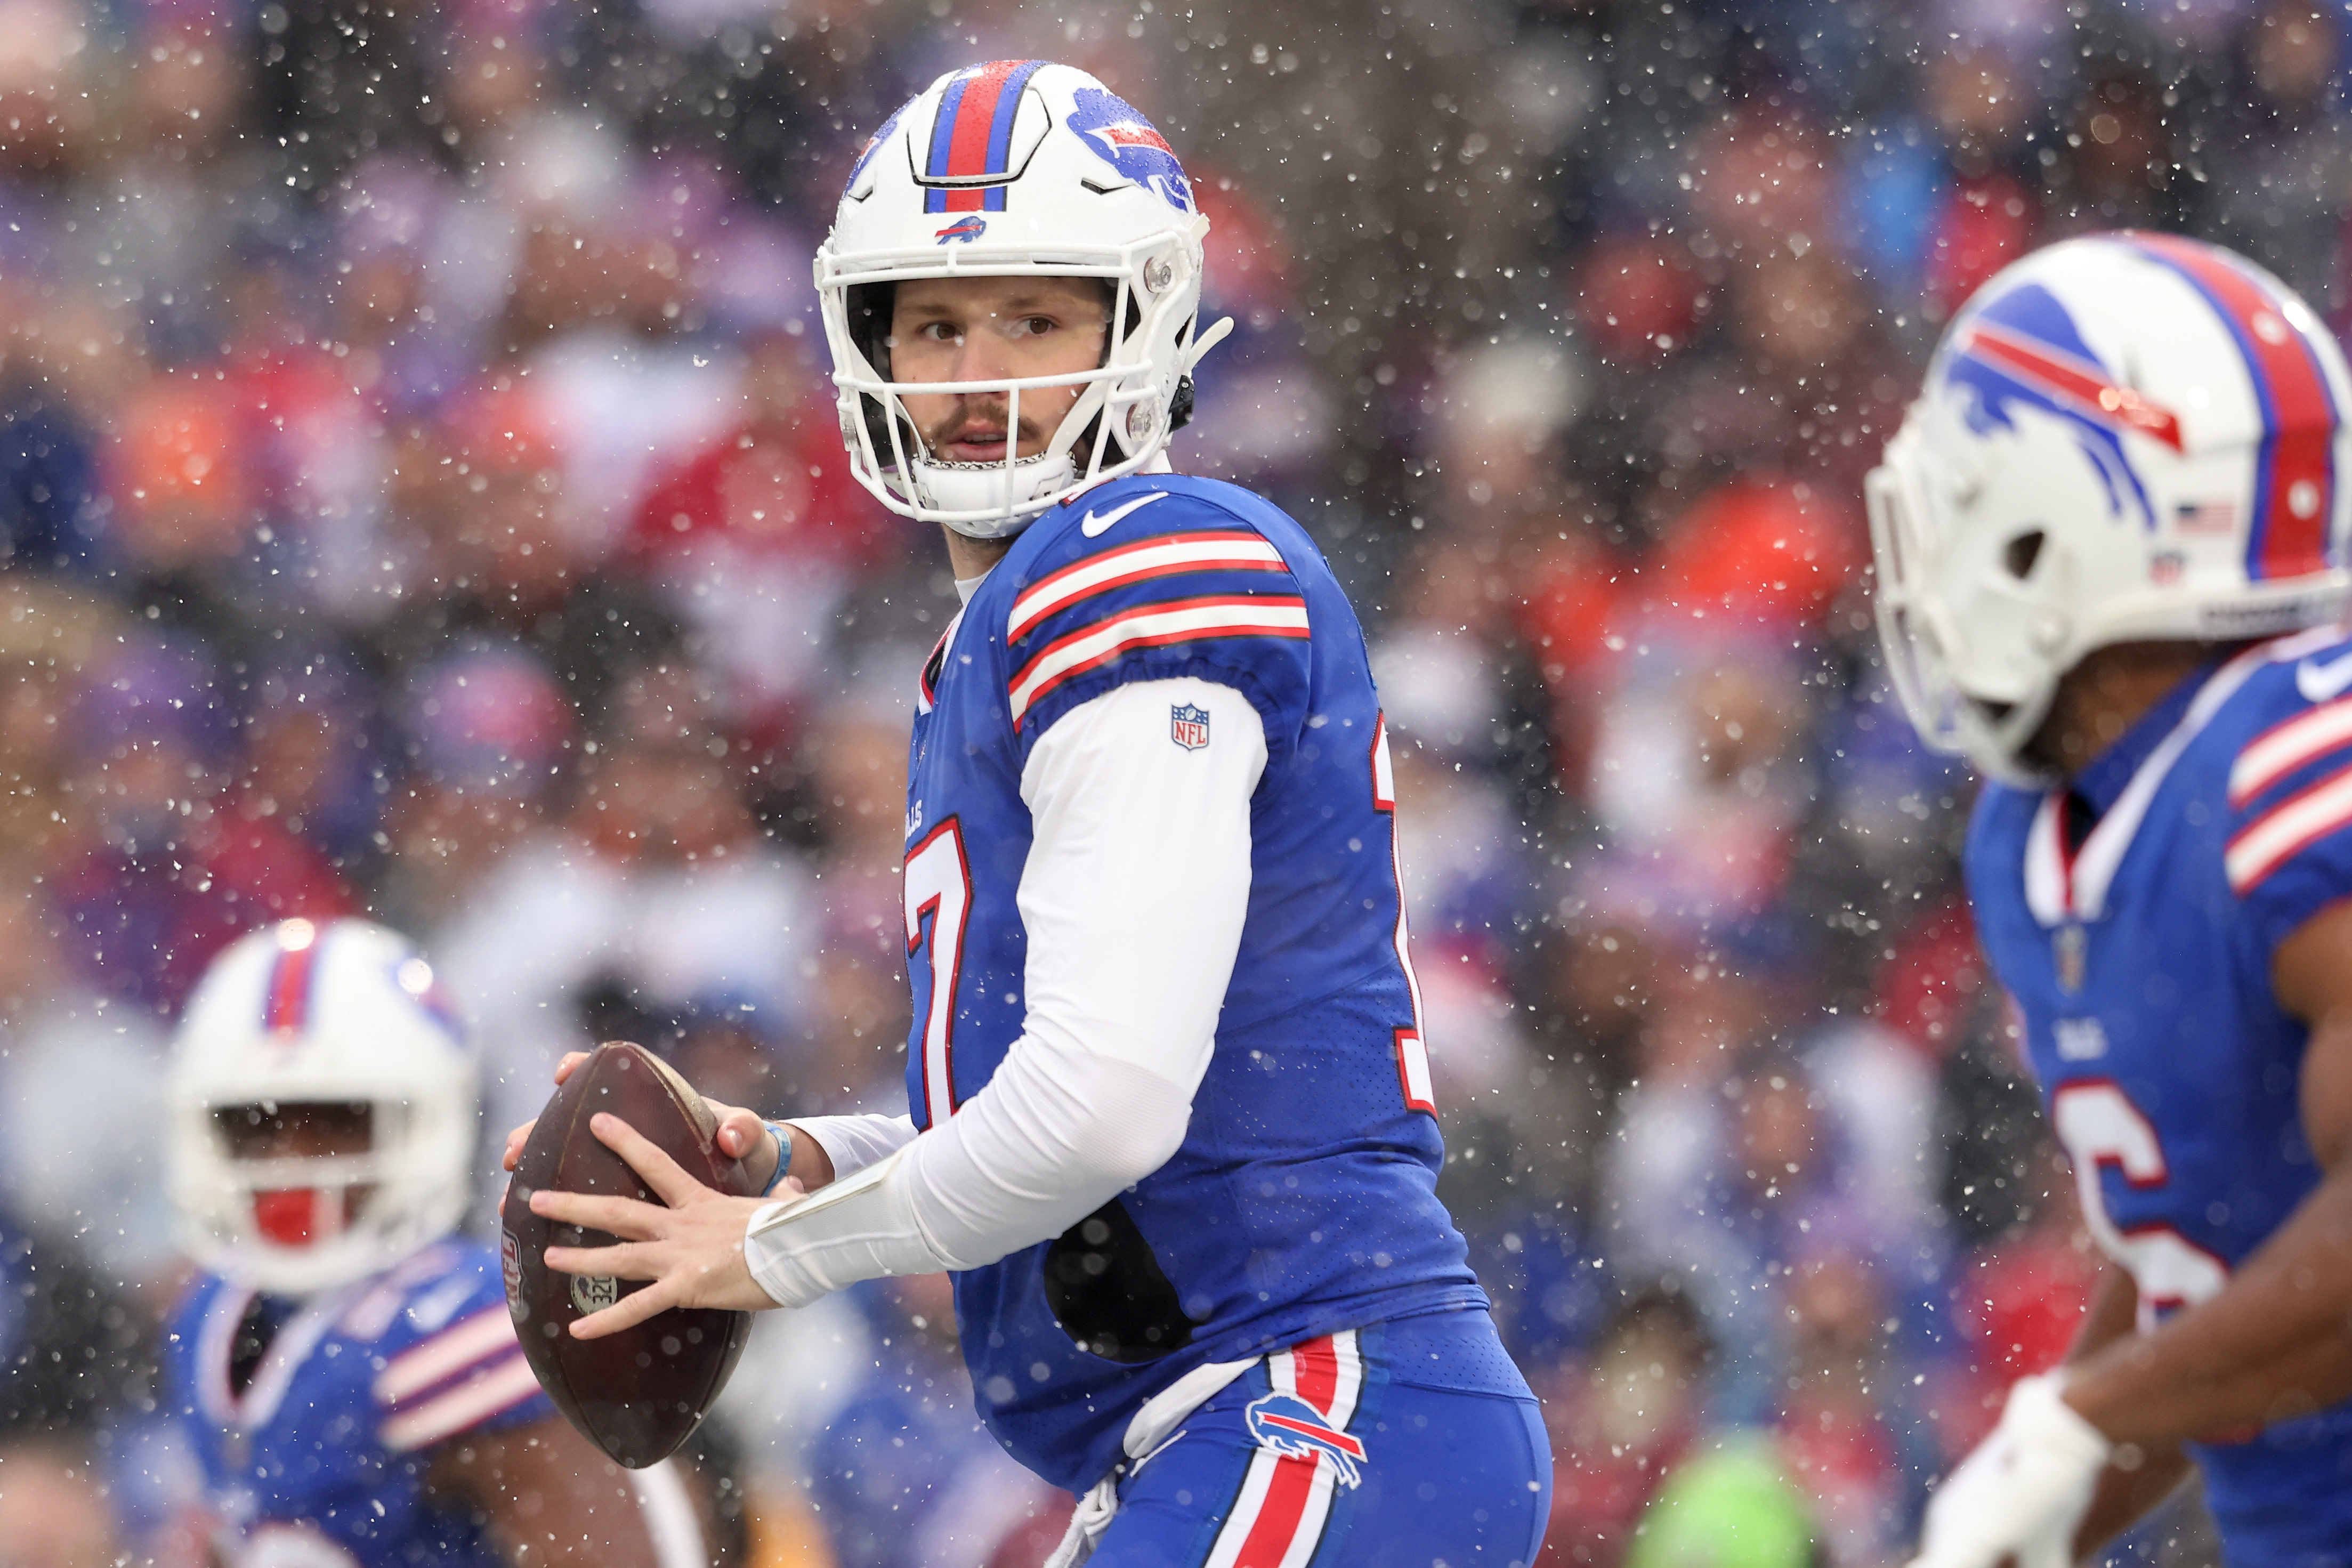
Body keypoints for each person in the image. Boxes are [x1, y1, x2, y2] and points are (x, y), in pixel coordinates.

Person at [506, 60, 1550, 1568]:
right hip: (1231, 1427)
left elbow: (1106, 1102)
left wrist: (772, 1250)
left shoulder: (1136, 561)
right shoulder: (1005, 630)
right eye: (935, 323)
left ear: (1139, 323)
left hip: (1306, 1398)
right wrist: (802, 1162)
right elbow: (1062, 1115)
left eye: (1033, 316)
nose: (977, 369)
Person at [1869, 231, 2352, 1568]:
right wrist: (2038, 1489)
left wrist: (2082, 1419)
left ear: (2049, 519)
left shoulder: (2298, 769)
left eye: (1963, 493)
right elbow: (2209, 1245)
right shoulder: (2041, 830)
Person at [161, 917, 707, 1568]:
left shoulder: (465, 1324)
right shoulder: (209, 1314)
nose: (292, 1159)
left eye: (339, 1118)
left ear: (428, 1121)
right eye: (254, 1123)